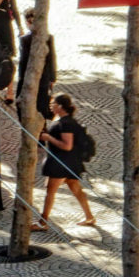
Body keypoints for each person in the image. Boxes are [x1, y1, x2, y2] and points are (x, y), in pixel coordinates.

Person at [32, 93, 95, 231]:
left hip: (62, 163)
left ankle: (43, 222)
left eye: (53, 103)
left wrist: (49, 138)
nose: (50, 106)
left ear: (60, 106)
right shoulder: (62, 120)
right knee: (76, 190)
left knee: (50, 191)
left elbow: (67, 145)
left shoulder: (66, 124)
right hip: (69, 162)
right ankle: (89, 216)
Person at [16, 7, 56, 122]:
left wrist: (20, 81)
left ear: (27, 22)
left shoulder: (25, 40)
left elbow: (23, 63)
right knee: (42, 109)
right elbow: (51, 58)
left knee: (29, 108)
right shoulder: (48, 37)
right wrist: (52, 78)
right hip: (44, 79)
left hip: (30, 79)